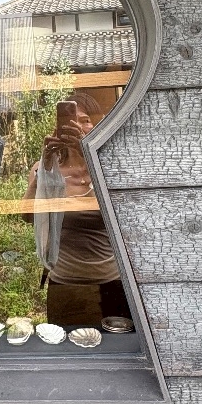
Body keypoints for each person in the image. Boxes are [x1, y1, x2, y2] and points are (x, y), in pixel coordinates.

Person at [21, 92, 131, 328]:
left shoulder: (110, 169)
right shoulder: (44, 169)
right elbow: (27, 217)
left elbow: (127, 214)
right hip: (65, 285)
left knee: (118, 346)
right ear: (59, 126)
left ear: (97, 125)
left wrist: (86, 155)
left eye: (86, 120)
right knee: (68, 348)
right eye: (71, 120)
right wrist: (44, 171)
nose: (78, 126)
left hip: (112, 282)